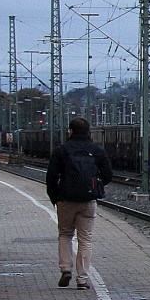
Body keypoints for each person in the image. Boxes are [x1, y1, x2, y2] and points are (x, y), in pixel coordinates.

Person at [45, 117, 112, 289]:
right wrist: (95, 187)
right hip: (88, 201)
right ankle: (82, 279)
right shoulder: (96, 150)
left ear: (70, 131)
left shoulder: (62, 150)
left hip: (66, 200)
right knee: (85, 239)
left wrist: (55, 197)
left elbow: (51, 178)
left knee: (65, 234)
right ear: (89, 132)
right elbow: (108, 175)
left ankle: (66, 269)